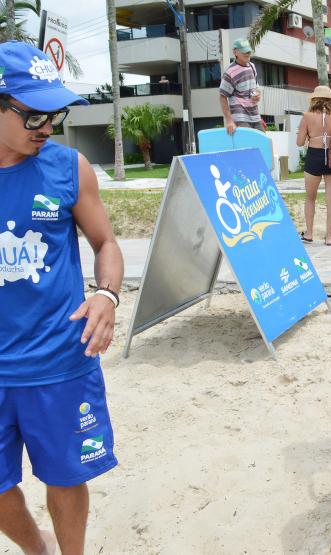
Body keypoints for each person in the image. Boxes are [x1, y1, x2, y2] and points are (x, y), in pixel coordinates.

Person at [0, 42, 124, 555]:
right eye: (32, 115)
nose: (46, 126)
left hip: (60, 360)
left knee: (66, 476)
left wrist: (107, 295)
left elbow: (107, 244)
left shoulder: (70, 168)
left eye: (53, 113)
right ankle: (38, 549)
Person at [296, 85, 331, 246]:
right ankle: (329, 237)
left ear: (314, 99)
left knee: (310, 198)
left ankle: (309, 234)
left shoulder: (307, 116)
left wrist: (306, 133)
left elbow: (299, 142)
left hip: (314, 157)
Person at [219, 38, 263, 135]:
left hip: (255, 115)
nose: (247, 53)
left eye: (248, 51)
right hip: (240, 117)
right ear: (235, 52)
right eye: (244, 51)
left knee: (263, 144)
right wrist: (229, 121)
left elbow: (254, 88)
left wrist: (256, 95)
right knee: (248, 145)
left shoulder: (252, 66)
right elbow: (222, 96)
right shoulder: (230, 72)